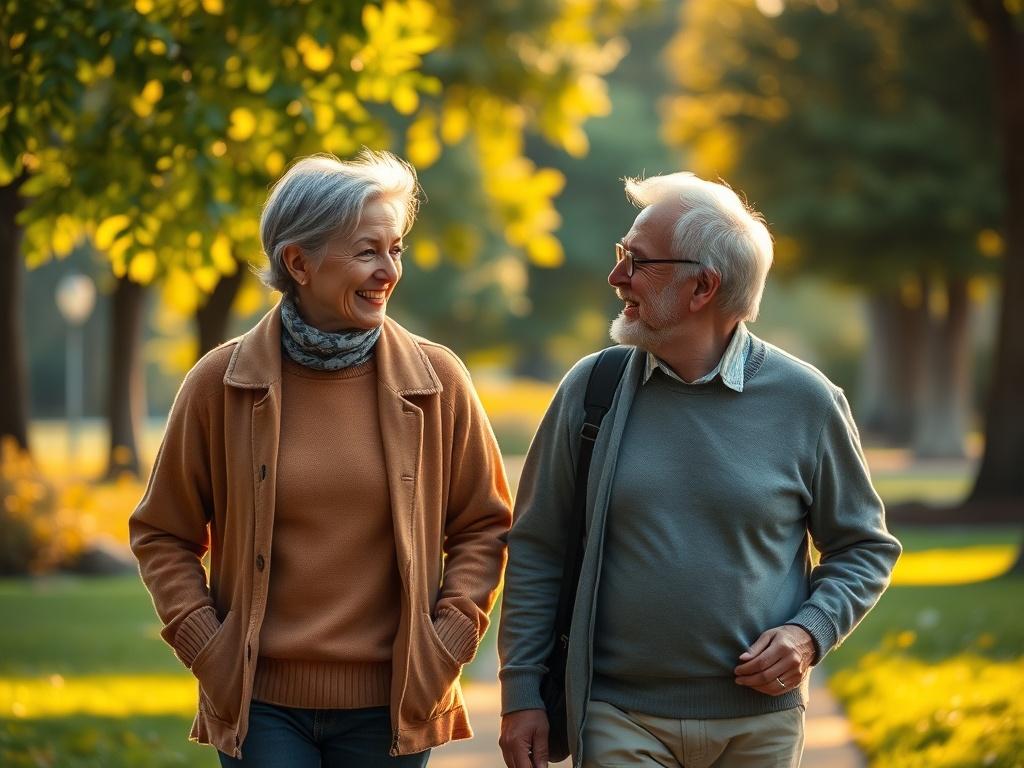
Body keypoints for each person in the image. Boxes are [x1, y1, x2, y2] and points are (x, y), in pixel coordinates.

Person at [497, 172, 901, 768]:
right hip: (616, 716)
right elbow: (538, 546)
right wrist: (522, 692)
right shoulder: (593, 390)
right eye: (621, 257)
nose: (617, 278)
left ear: (701, 287)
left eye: (637, 262)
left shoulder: (807, 401)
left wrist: (809, 632)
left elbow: (864, 548)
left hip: (759, 729)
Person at [130, 150, 512, 767]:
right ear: (299, 262)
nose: (389, 270)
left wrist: (448, 641)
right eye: (367, 251)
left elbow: (484, 524)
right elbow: (162, 531)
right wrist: (206, 644)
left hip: (392, 704)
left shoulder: (437, 380)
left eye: (395, 249)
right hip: (262, 706)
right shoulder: (219, 382)